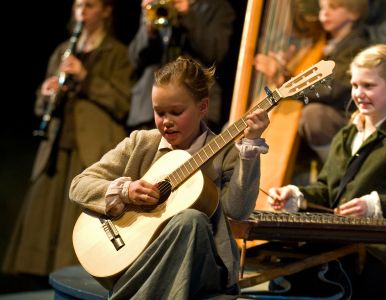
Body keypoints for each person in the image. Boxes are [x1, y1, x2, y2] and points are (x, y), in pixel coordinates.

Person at [69, 56, 270, 299]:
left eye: (176, 112)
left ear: (203, 107)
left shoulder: (226, 153)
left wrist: (250, 148)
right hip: (139, 260)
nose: (166, 122)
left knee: (190, 220)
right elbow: (79, 185)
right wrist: (125, 191)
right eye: (159, 112)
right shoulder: (141, 143)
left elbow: (238, 211)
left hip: (205, 264)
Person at [3, 0, 133, 277]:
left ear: (106, 11)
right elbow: (40, 106)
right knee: (44, 219)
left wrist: (85, 77)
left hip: (91, 149)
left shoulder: (117, 53)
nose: (81, 13)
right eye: (77, 6)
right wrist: (46, 93)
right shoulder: (63, 50)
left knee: (76, 221)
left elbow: (123, 103)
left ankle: (75, 279)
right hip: (56, 147)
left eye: (89, 6)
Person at [267, 44, 386, 299]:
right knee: (283, 271)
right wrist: (297, 196)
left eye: (368, 86)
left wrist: (375, 206)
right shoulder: (346, 136)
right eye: (355, 85)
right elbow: (327, 190)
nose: (359, 93)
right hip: (339, 243)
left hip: (381, 253)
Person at [254, 0, 370, 162]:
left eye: (333, 8)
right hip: (330, 110)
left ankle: (340, 168)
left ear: (354, 13)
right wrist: (284, 69)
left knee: (314, 116)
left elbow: (331, 87)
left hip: (346, 116)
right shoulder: (325, 44)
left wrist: (286, 80)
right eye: (322, 8)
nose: (324, 13)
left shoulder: (357, 45)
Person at [126, 0, 235, 133]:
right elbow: (134, 58)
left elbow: (216, 52)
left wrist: (188, 15)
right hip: (148, 110)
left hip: (193, 109)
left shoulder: (218, 7)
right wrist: (149, 29)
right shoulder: (156, 4)